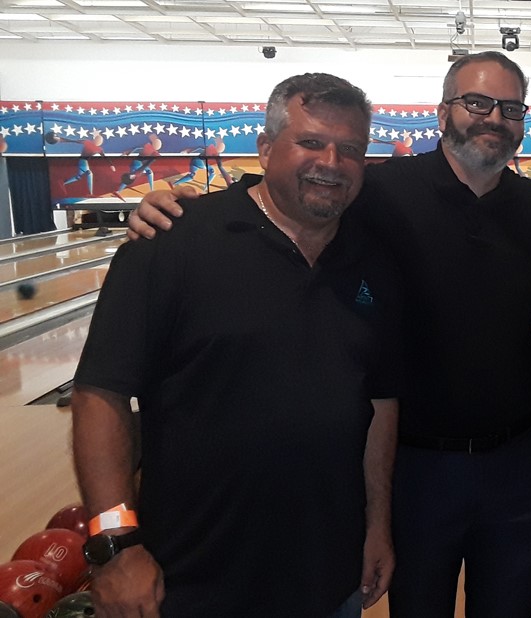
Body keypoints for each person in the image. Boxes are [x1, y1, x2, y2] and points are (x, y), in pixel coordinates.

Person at [128, 51, 531, 617]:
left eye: (510, 108)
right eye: (477, 102)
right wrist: (180, 207)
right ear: (442, 112)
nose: (493, 118)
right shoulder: (378, 192)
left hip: (515, 463)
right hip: (416, 466)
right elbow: (288, 199)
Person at [72, 73, 398, 617]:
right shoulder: (172, 241)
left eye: (351, 149)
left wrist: (377, 525)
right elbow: (100, 394)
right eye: (311, 142)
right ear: (266, 149)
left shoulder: (374, 262)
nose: (332, 162)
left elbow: (379, 405)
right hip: (189, 581)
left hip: (328, 576)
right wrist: (115, 545)